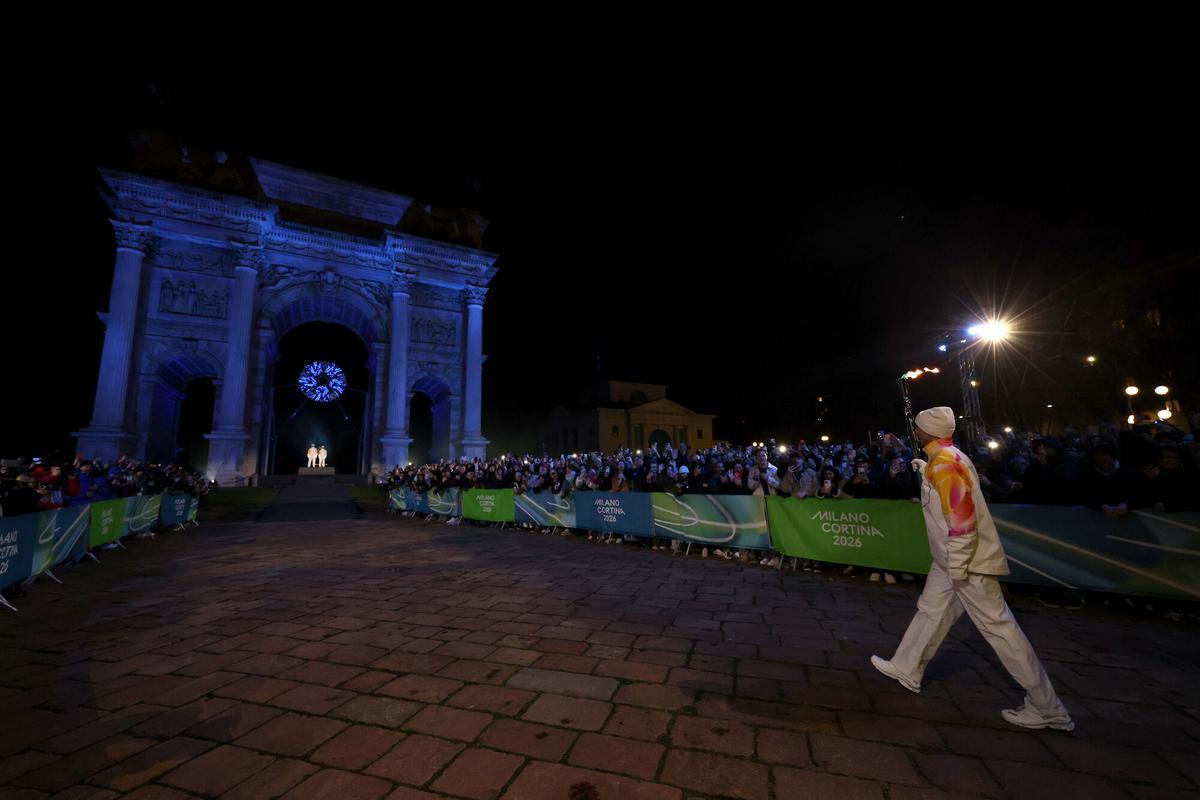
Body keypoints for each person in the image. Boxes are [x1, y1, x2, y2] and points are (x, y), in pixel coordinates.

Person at [870, 406, 1074, 732]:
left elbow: (962, 523)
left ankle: (1047, 707)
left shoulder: (946, 465)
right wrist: (926, 471)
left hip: (966, 562)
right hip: (950, 559)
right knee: (931, 610)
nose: (915, 431)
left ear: (927, 432)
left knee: (1001, 631)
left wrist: (958, 566)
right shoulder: (946, 458)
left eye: (918, 428)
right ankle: (907, 667)